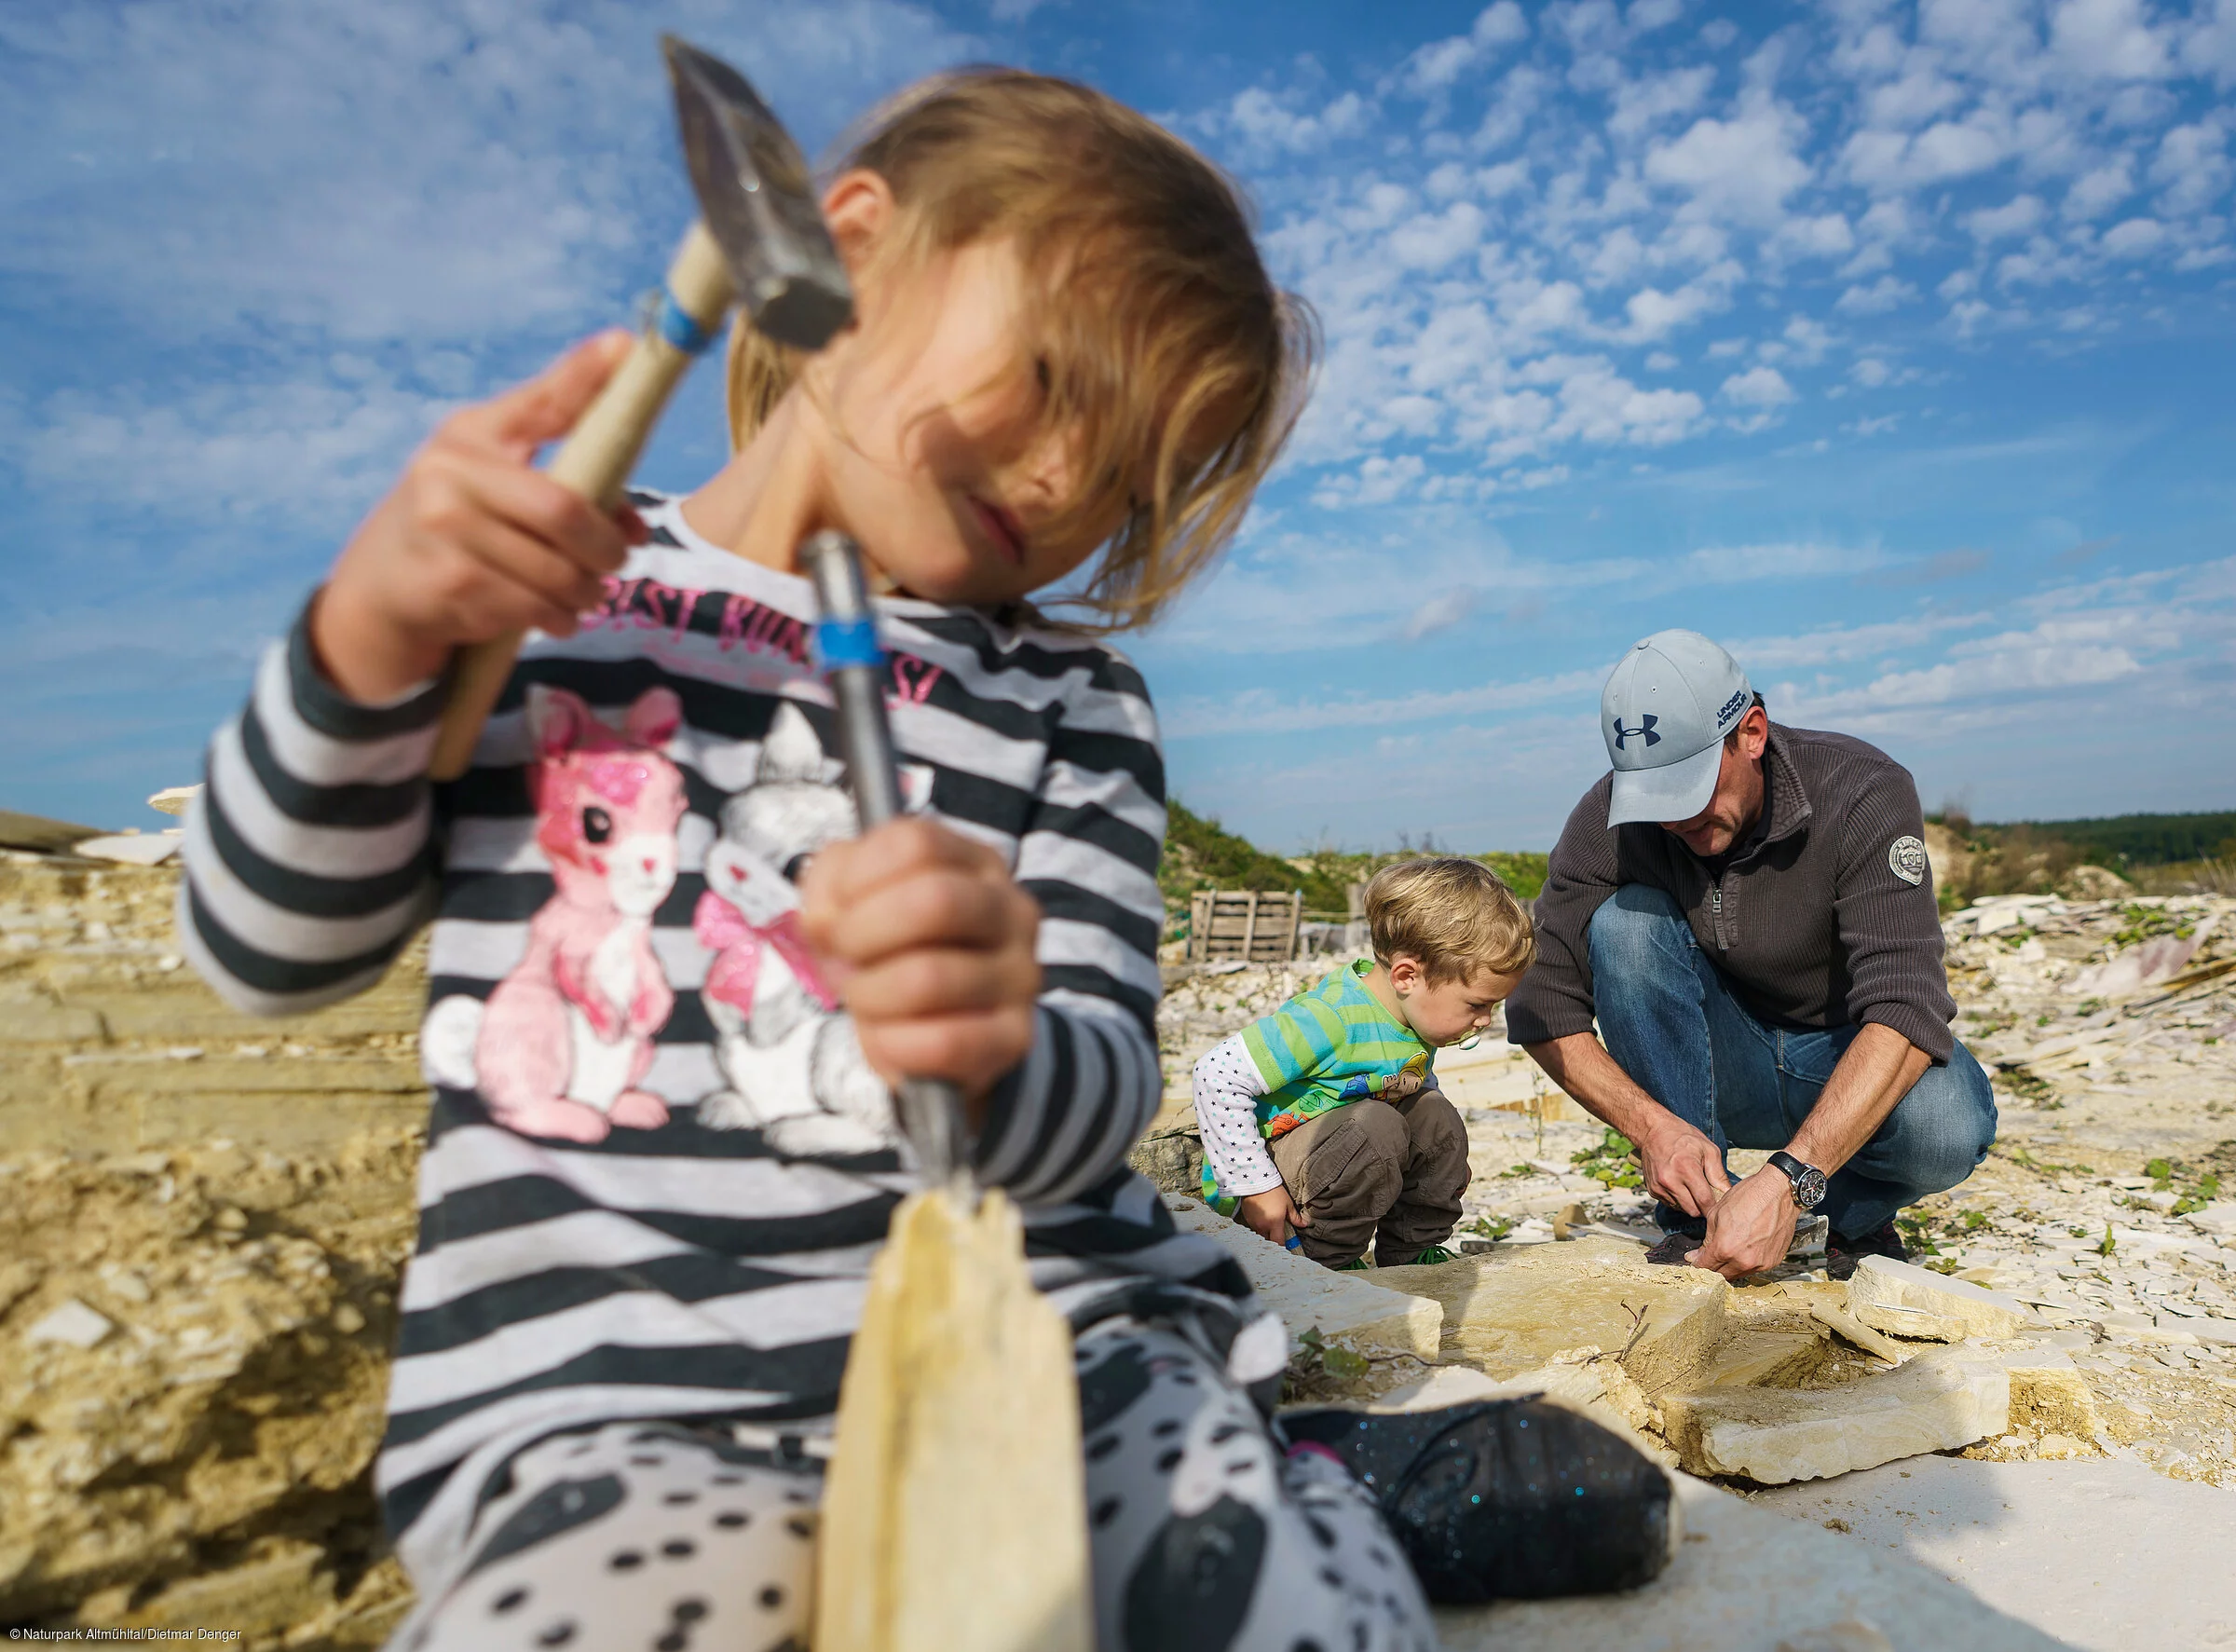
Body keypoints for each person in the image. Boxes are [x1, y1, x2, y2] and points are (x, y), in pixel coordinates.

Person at [175, 68, 1669, 1652]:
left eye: (1133, 473)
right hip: (612, 1403)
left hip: (1041, 1346)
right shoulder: (551, 599)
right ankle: (1343, 1470)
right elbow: (266, 945)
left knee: (1291, 1608)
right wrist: (362, 642)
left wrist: (998, 1031)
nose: (1063, 481)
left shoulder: (1070, 702)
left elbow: (1101, 1086)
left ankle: (1304, 1485)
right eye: (1052, 378)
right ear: (860, 249)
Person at [1505, 629, 1997, 1284]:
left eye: (1691, 788)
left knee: (1948, 1123)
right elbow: (1540, 1001)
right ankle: (1697, 1220)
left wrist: (1791, 1181)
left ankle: (1834, 1221)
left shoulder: (1863, 791)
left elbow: (1908, 1007)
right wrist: (1651, 1126)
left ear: (1752, 733)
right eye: (1657, 799)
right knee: (1626, 924)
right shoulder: (1610, 819)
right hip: (1712, 1064)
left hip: (1841, 1060)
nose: (1676, 820)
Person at [1194, 858, 1534, 1270]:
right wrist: (1256, 1188)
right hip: (1272, 1193)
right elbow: (1216, 1074)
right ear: (1407, 976)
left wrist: (1442, 1159)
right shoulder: (1331, 1019)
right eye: (1478, 1004)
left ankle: (1413, 1254)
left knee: (1436, 1115)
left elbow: (1408, 1088)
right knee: (1378, 1125)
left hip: (1330, 1161)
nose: (1485, 1020)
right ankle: (1324, 1260)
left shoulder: (1412, 1018)